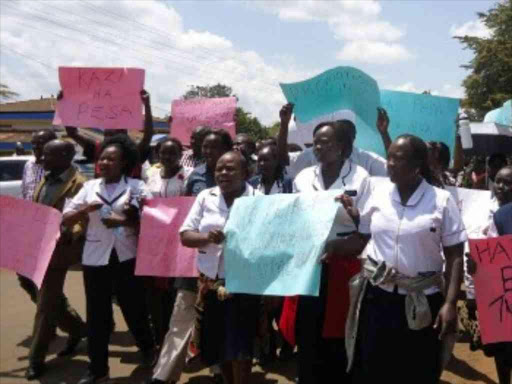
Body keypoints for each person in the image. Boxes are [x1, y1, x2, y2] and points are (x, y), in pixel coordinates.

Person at [340, 134, 466, 384]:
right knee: (373, 368)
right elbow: (363, 235)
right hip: (377, 298)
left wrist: (450, 303)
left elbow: (455, 256)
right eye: (389, 158)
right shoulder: (378, 194)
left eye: (398, 159)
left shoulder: (441, 201)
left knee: (416, 370)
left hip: (422, 300)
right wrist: (332, 244)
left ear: (418, 165)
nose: (390, 164)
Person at [63, 135, 155, 384]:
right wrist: (84, 211)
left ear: (124, 163)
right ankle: (98, 369)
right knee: (97, 314)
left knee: (134, 308)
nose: (104, 162)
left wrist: (124, 221)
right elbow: (66, 218)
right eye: (102, 158)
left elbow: (153, 220)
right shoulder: (89, 188)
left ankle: (147, 349)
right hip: (96, 259)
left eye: (111, 159)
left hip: (126, 256)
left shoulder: (137, 187)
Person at [147, 130, 233, 384]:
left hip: (228, 265)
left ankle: (218, 370)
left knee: (217, 319)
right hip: (194, 259)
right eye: (204, 147)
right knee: (181, 315)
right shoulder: (194, 177)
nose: (208, 152)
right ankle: (163, 375)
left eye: (214, 147)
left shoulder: (241, 177)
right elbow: (184, 218)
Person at [291, 121, 370, 384]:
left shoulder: (360, 178)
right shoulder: (303, 178)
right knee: (308, 330)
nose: (319, 147)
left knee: (339, 331)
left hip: (344, 266)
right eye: (316, 142)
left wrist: (354, 215)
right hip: (309, 265)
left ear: (342, 147)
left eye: (327, 142)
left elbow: (368, 228)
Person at [180, 151, 261, 384]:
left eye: (230, 169)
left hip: (244, 283)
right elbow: (185, 236)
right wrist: (207, 238)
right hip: (210, 284)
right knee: (217, 344)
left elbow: (267, 243)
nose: (223, 173)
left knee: (241, 344)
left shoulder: (258, 199)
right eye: (219, 169)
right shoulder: (206, 196)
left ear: (246, 173)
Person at [25, 140, 87, 380]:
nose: (42, 158)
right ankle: (77, 329)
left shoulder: (79, 183)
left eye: (48, 154)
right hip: (39, 245)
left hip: (62, 249)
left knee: (46, 302)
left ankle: (36, 359)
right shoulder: (46, 178)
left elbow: (80, 216)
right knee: (43, 294)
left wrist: (72, 231)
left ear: (65, 157)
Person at [248, 144, 293, 364]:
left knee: (282, 302)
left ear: (278, 162)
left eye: (268, 160)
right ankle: (266, 349)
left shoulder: (287, 185)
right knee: (262, 305)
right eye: (260, 161)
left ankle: (286, 345)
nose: (263, 164)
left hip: (282, 253)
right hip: (257, 253)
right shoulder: (251, 185)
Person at [468, 165, 512, 384]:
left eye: (508, 182)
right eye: (498, 181)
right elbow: (490, 260)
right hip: (503, 296)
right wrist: (476, 265)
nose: (501, 186)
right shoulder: (500, 216)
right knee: (502, 347)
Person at [144, 138, 190, 348]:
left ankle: (179, 338)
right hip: (154, 241)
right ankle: (160, 336)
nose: (167, 157)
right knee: (156, 291)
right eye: (164, 153)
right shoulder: (151, 175)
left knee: (175, 290)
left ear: (181, 155)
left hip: (179, 242)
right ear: (158, 154)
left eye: (172, 153)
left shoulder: (188, 177)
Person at [277, 104, 390, 179]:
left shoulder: (365, 161)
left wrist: (384, 134)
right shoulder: (314, 155)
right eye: (341, 134)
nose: (346, 139)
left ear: (354, 137)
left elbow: (391, 169)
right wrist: (284, 124)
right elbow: (284, 160)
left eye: (349, 135)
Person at [62, 89, 154, 178]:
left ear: (124, 134)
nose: (108, 139)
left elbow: (147, 136)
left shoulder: (134, 152)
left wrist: (147, 105)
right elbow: (72, 133)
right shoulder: (98, 148)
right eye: (106, 135)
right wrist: (65, 104)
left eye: (112, 136)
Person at [19, 130, 58, 304]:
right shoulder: (28, 165)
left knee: (46, 280)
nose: (36, 147)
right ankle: (63, 318)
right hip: (29, 228)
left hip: (50, 230)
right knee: (24, 275)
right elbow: (25, 193)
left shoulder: (62, 169)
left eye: (40, 142)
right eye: (33, 143)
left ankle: (58, 321)